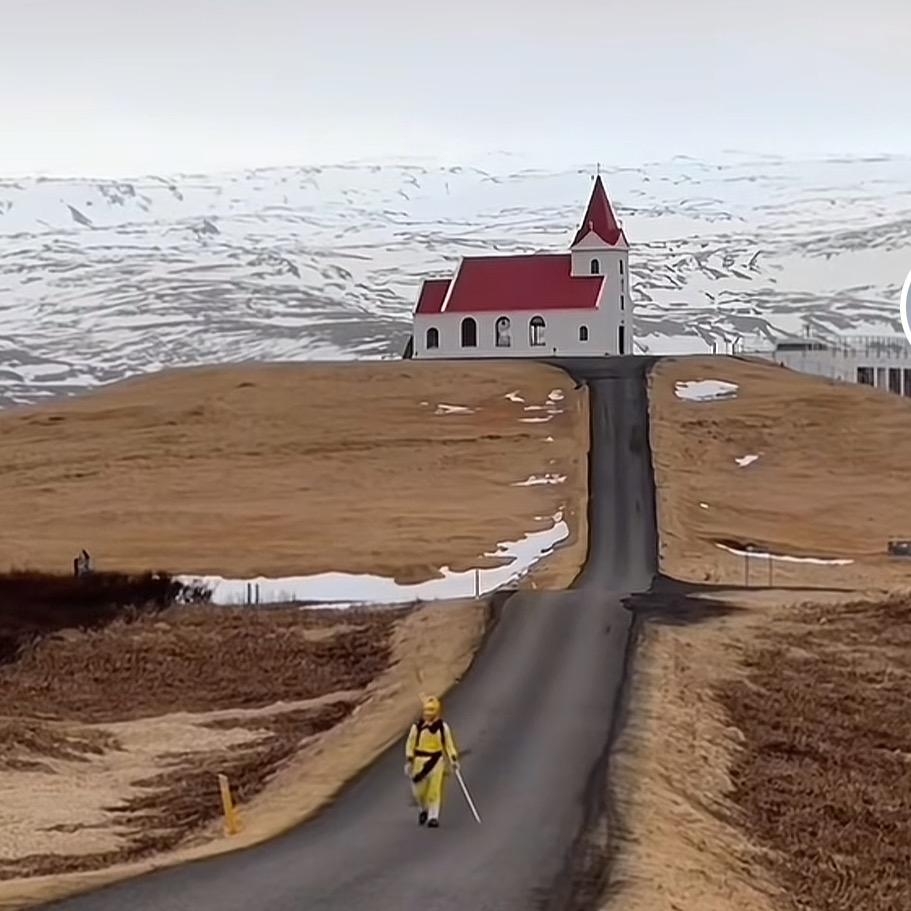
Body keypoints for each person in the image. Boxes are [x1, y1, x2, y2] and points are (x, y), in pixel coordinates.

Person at [404, 696, 459, 828]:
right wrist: (410, 757)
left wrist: (453, 757)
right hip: (419, 761)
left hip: (436, 761)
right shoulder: (417, 727)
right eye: (427, 711)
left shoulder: (442, 727)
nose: (428, 714)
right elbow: (410, 742)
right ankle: (423, 809)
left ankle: (433, 817)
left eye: (431, 711)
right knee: (419, 792)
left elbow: (448, 743)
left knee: (434, 790)